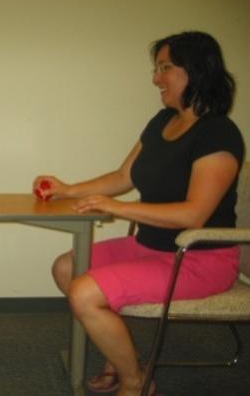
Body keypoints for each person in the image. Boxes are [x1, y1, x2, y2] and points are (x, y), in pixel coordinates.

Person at [33, 31, 245, 396]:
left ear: (195, 71)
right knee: (65, 267)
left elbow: (193, 216)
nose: (155, 78)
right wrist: (66, 188)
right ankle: (123, 357)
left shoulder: (219, 134)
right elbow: (123, 176)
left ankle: (135, 383)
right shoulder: (162, 120)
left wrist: (116, 207)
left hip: (198, 259)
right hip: (150, 247)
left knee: (85, 293)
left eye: (165, 67)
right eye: (156, 68)